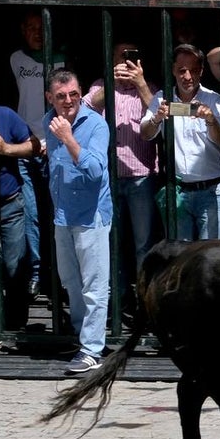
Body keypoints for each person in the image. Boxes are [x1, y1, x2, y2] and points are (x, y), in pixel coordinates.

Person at [44, 69, 112, 375]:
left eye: (73, 94)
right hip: (63, 214)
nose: (68, 101)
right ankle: (82, 337)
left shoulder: (96, 125)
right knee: (70, 281)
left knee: (94, 285)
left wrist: (68, 139)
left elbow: (95, 170)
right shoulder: (49, 121)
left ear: (80, 92)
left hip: (91, 215)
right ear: (50, 98)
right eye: (60, 96)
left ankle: (92, 349)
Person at [86, 42, 161, 307]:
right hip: (108, 176)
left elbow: (160, 115)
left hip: (141, 175)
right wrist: (111, 79)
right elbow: (84, 108)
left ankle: (144, 300)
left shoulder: (149, 87)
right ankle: (116, 300)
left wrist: (139, 83)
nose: (125, 62)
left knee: (143, 243)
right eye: (120, 57)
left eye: (131, 57)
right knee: (111, 241)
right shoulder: (100, 85)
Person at [140, 44, 220, 241]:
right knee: (179, 256)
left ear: (201, 71)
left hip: (212, 190)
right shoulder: (162, 98)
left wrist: (211, 120)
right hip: (179, 191)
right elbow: (145, 134)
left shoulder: (214, 100)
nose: (187, 77)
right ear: (173, 71)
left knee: (211, 254)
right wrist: (157, 118)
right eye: (182, 71)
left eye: (194, 70)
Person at [10, 10, 66, 299]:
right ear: (22, 30)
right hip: (25, 146)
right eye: (30, 27)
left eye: (40, 27)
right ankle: (36, 272)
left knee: (58, 214)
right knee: (31, 214)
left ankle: (59, 275)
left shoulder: (62, 61)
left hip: (56, 146)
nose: (36, 32)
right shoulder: (15, 59)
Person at [0, 105, 41, 330]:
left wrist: (6, 149)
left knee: (14, 266)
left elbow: (34, 146)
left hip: (9, 203)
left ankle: (15, 325)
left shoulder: (4, 115)